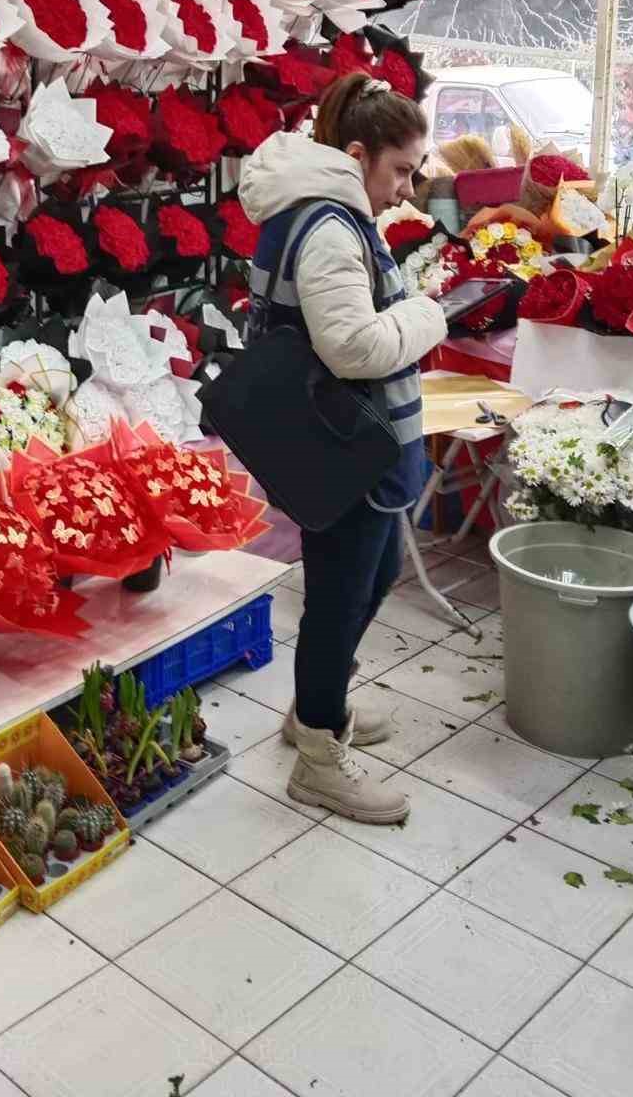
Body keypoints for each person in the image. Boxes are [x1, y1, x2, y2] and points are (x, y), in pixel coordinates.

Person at [239, 73, 447, 825]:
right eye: (399, 170)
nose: (407, 189)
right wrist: (430, 315)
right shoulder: (328, 226)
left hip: (347, 441)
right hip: (344, 446)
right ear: (356, 154)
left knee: (376, 569)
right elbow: (354, 346)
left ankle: (313, 709)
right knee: (338, 596)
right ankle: (319, 761)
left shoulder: (326, 212)